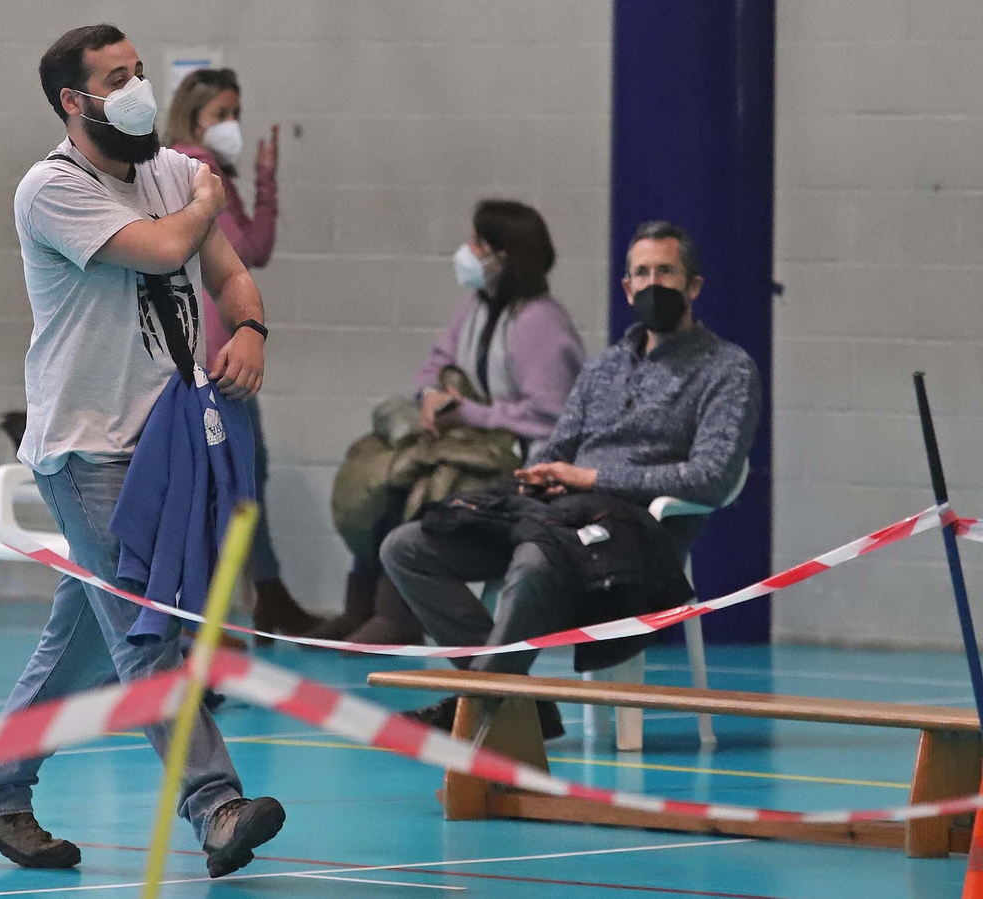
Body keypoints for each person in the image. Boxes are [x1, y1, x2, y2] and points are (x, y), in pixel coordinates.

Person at [0, 25, 284, 879]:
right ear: (74, 101)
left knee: (86, 638)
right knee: (144, 634)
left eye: (139, 72)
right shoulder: (49, 189)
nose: (136, 87)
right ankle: (216, 806)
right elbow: (169, 247)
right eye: (115, 78)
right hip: (87, 449)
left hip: (170, 442)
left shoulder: (170, 173)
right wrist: (206, 202)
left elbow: (226, 272)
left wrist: (248, 325)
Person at [380, 220, 761, 732]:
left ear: (693, 286)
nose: (653, 284)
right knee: (407, 547)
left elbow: (711, 477)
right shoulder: (603, 367)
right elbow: (561, 447)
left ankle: (476, 713)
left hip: (637, 531)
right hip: (554, 512)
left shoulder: (728, 369)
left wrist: (593, 477)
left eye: (666, 272)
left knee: (534, 565)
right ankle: (513, 701)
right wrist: (544, 474)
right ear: (626, 289)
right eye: (641, 273)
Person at [310, 200, 585, 645]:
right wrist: (431, 396)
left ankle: (397, 615)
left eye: (478, 243)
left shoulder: (542, 324)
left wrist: (470, 414)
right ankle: (359, 604)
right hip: (464, 440)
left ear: (505, 257)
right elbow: (436, 362)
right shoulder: (475, 306)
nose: (468, 251)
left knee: (426, 487)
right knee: (378, 475)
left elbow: (549, 416)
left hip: (515, 461)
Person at [165, 69, 318, 642]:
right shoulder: (193, 167)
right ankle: (211, 615)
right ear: (194, 114)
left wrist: (264, 180)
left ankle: (260, 599)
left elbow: (255, 251)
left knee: (246, 475)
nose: (233, 124)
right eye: (222, 113)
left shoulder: (209, 170)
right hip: (208, 354)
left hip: (222, 348)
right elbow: (247, 252)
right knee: (226, 482)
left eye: (237, 112)